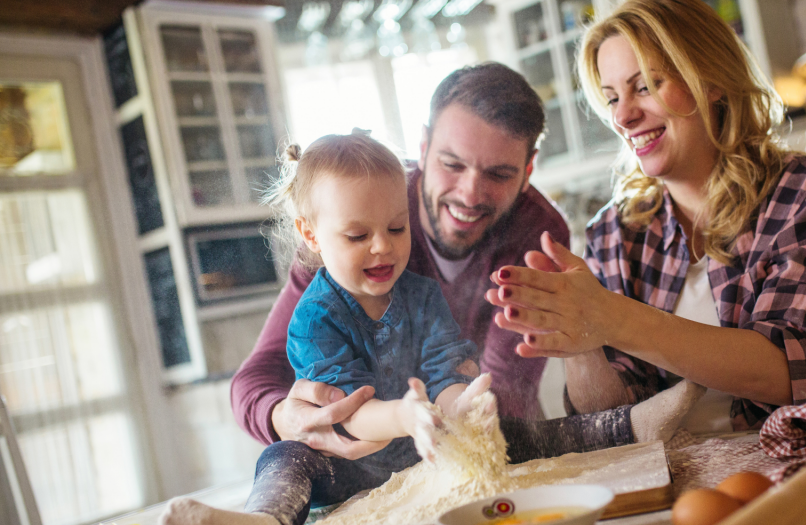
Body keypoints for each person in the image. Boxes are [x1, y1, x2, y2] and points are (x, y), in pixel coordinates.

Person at [487, 0, 806, 433]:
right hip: (669, 484)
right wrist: (580, 339)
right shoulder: (615, 233)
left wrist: (610, 316)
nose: (622, 115)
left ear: (710, 80)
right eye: (613, 97)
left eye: (646, 86)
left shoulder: (803, 193)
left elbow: (790, 371)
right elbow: (609, 418)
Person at [160, 134, 497, 525]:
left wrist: (460, 405)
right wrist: (406, 416)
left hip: (425, 450)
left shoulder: (423, 295)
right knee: (284, 456)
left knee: (505, 427)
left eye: (397, 227)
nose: (383, 246)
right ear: (310, 234)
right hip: (346, 468)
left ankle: (609, 426)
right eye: (358, 235)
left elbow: (446, 370)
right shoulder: (315, 318)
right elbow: (347, 414)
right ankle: (266, 524)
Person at [231, 63, 571, 463]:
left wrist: (459, 407)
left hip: (465, 444)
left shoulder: (539, 237)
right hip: (361, 460)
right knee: (280, 465)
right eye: (452, 164)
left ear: (528, 170)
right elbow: (253, 380)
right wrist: (282, 418)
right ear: (424, 146)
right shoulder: (349, 210)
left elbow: (500, 389)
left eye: (498, 174)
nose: (470, 194)